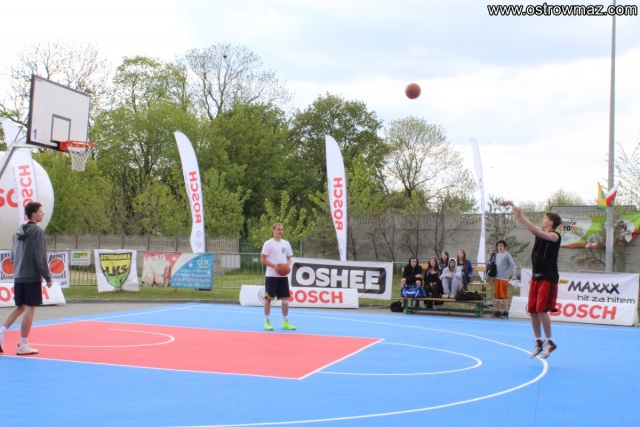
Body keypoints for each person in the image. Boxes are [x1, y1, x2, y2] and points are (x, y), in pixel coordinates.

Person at [502, 201, 561, 359]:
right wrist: (514, 207)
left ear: (551, 223)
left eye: (544, 218)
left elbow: (534, 230)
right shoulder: (540, 234)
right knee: (533, 310)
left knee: (542, 310)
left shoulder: (554, 236)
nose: (542, 220)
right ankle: (538, 341)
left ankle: (549, 341)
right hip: (536, 276)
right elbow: (535, 230)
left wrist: (521, 216)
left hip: (548, 277)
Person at [0, 202, 53, 356]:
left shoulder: (17, 231)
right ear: (34, 214)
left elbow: (12, 256)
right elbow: (40, 256)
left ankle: (1, 332)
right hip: (31, 275)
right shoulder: (37, 232)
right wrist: (47, 277)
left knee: (20, 306)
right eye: (40, 211)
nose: (42, 214)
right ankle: (23, 344)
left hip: (19, 275)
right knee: (30, 307)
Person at [260, 223, 296, 331]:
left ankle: (285, 321)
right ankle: (267, 321)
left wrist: (287, 265)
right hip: (272, 275)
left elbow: (288, 258)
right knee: (268, 298)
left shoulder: (286, 243)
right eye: (278, 229)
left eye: (281, 229)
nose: (280, 231)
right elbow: (262, 259)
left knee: (285, 299)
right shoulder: (268, 243)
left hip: (282, 276)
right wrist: (274, 266)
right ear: (273, 230)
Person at [489, 240, 517, 320]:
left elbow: (513, 265)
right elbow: (490, 262)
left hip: (504, 278)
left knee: (503, 295)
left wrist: (514, 275)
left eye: (501, 245)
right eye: (498, 245)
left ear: (504, 246)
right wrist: (490, 254)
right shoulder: (496, 255)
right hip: (497, 278)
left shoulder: (507, 255)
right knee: (497, 296)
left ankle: (506, 311)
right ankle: (498, 311)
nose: (500, 247)